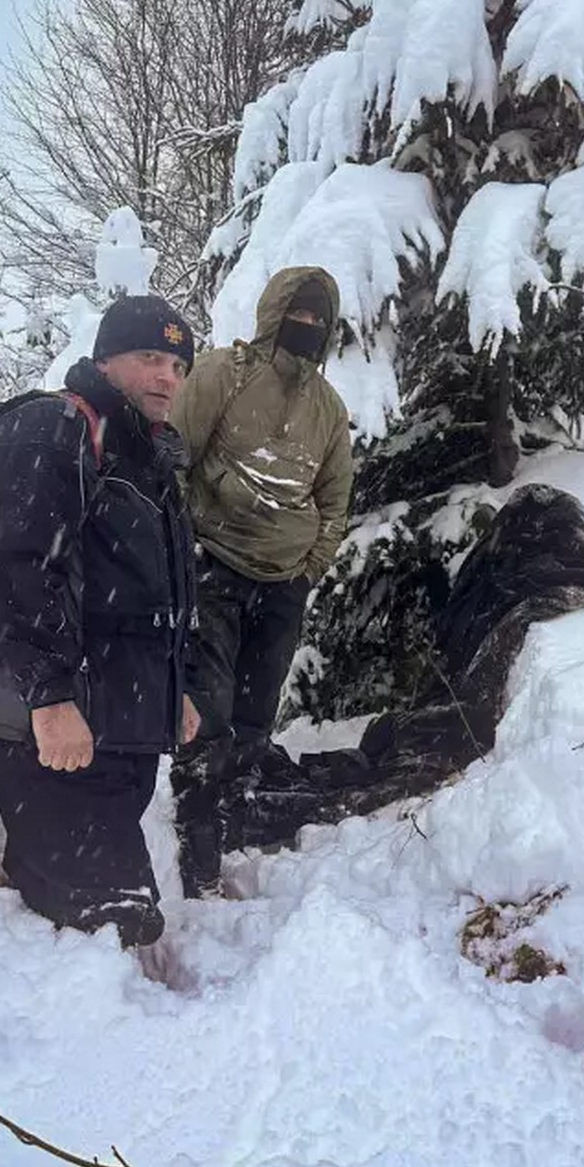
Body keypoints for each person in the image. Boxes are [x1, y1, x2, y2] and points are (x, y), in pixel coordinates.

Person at [0, 295, 201, 948]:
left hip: (116, 733)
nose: (168, 377)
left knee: (121, 914)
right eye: (150, 357)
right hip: (49, 734)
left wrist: (174, 689)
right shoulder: (58, 428)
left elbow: (151, 597)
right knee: (115, 923)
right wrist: (47, 698)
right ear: (106, 359)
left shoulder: (147, 461)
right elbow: (19, 569)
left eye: (180, 365)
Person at [170, 265, 353, 897]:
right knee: (208, 712)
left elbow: (335, 501)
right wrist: (180, 551)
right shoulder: (224, 372)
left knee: (255, 714)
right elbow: (175, 456)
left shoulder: (329, 409)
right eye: (298, 315)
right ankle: (192, 833)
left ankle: (229, 813)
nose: (308, 327)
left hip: (282, 585)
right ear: (275, 314)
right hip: (213, 568)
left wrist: (310, 566)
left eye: (319, 320)